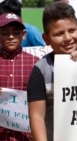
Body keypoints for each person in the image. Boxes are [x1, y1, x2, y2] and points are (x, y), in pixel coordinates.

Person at [27, 2, 77, 141]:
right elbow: (37, 116)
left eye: (71, 30)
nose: (67, 38)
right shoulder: (41, 70)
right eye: (59, 34)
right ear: (46, 39)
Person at [0, 12, 40, 141]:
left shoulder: (36, 63)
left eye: (16, 33)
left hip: (25, 136)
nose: (11, 37)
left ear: (24, 35)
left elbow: (42, 100)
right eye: (5, 33)